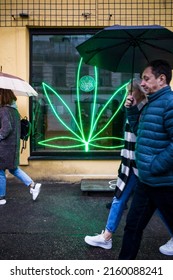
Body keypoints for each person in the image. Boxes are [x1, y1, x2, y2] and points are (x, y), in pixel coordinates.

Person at [118, 59, 173, 259]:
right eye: (142, 78)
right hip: (146, 181)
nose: (142, 83)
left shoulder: (169, 103)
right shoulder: (151, 104)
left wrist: (154, 165)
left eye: (146, 78)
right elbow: (141, 135)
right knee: (132, 227)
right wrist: (132, 111)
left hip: (164, 183)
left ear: (162, 79)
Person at [84, 78, 147, 249]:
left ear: (139, 92)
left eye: (130, 91)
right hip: (129, 164)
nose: (128, 95)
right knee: (118, 198)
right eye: (127, 91)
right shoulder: (133, 108)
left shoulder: (144, 110)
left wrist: (132, 110)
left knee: (159, 203)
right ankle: (106, 236)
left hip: (139, 165)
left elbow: (138, 133)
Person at [0, 88, 41, 205]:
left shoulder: (3, 110)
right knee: (13, 168)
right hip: (12, 147)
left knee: (0, 171)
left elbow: (6, 128)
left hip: (4, 147)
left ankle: (1, 197)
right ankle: (32, 185)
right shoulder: (14, 111)